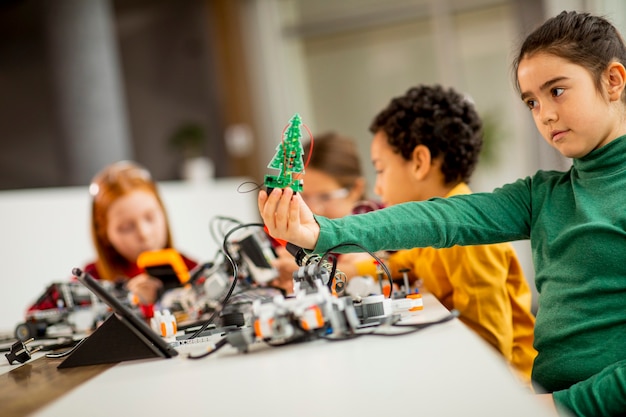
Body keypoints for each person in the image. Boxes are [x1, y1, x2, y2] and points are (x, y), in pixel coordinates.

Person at [259, 10, 626, 416]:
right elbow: (439, 220)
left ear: (613, 80)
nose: (545, 114)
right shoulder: (545, 194)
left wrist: (561, 405)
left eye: (556, 91)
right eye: (532, 102)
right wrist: (321, 231)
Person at [343, 84, 535, 382]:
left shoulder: (469, 236)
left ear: (419, 162)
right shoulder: (435, 229)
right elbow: (406, 262)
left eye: (380, 169)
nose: (378, 188)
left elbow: (490, 347)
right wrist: (351, 268)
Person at [84, 160, 197, 318]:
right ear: (104, 234)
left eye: (150, 218)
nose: (144, 233)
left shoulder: (193, 270)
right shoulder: (88, 283)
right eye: (126, 227)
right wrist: (128, 304)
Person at [269, 132, 376, 293]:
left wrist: (346, 269)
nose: (314, 209)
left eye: (325, 197)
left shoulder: (385, 223)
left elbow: (404, 267)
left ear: (356, 189)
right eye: (303, 196)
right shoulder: (285, 234)